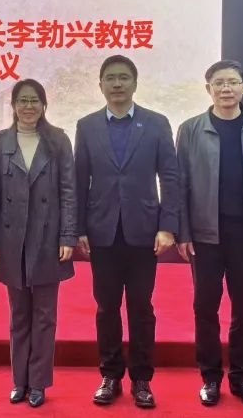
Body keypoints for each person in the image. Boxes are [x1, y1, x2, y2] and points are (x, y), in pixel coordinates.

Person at [73, 55, 180, 409]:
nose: (117, 84)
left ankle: (142, 379)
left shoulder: (156, 123)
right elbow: (79, 181)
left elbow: (170, 178)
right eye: (110, 78)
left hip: (144, 232)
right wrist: (78, 228)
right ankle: (110, 375)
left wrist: (168, 226)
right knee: (106, 307)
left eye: (123, 77)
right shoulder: (87, 126)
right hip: (101, 231)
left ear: (135, 83)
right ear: (100, 85)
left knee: (141, 308)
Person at [175, 60, 243, 408]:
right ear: (208, 88)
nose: (226, 88)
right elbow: (180, 185)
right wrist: (183, 232)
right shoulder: (191, 129)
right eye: (219, 82)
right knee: (205, 307)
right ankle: (210, 377)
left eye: (232, 82)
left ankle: (242, 378)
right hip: (204, 236)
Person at [0, 79, 78, 408]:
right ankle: (19, 381)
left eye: (34, 101)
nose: (29, 107)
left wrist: (67, 235)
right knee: (18, 315)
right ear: (13, 105)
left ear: (44, 105)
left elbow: (69, 191)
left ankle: (38, 383)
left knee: (44, 315)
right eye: (22, 101)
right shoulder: (1, 141)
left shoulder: (58, 140)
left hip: (47, 238)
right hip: (12, 239)